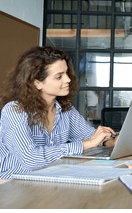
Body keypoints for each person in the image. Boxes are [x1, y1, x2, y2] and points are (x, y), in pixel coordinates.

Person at [0, 46, 118, 179]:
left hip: (47, 181)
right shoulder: (14, 110)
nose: (68, 79)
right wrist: (85, 144)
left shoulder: (66, 109)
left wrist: (111, 140)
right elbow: (30, 159)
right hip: (10, 184)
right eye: (59, 77)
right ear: (38, 83)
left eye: (66, 73)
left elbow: (91, 136)